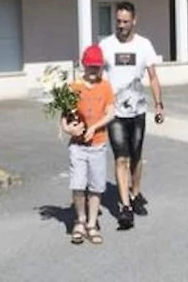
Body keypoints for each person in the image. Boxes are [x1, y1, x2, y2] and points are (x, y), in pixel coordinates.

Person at [98, 1, 163, 230]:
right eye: (118, 21)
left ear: (134, 20)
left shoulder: (144, 45)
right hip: (114, 112)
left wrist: (159, 105)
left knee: (135, 157)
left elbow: (153, 77)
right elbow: (96, 74)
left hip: (137, 111)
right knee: (121, 158)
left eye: (126, 21)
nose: (121, 25)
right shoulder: (106, 45)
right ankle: (125, 208)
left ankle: (135, 194)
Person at [61, 44, 115, 246]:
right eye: (91, 66)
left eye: (97, 67)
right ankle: (80, 221)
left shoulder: (105, 86)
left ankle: (92, 224)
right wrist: (69, 129)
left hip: (98, 145)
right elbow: (64, 117)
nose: (94, 70)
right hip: (78, 146)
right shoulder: (74, 87)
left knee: (96, 186)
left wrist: (96, 127)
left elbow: (111, 113)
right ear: (83, 64)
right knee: (77, 185)